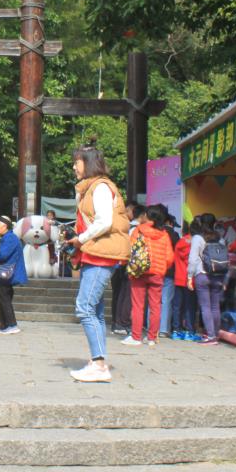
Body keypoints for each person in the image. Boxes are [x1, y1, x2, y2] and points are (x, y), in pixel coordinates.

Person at [64, 144, 130, 383]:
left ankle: (100, 365)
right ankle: (97, 361)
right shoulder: (90, 188)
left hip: (100, 255)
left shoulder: (100, 187)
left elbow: (104, 221)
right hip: (95, 253)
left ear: (88, 163)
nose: (74, 167)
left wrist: (80, 238)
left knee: (85, 307)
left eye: (77, 162)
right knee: (96, 311)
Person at [124, 204, 175, 347]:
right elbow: (169, 257)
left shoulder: (138, 230)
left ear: (147, 216)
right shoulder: (164, 234)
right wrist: (162, 267)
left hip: (139, 272)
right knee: (155, 306)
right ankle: (152, 338)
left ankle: (136, 337)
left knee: (138, 305)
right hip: (157, 273)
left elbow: (130, 249)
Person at [188, 213, 226, 346]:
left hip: (202, 275)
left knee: (205, 307)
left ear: (200, 223)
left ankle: (210, 336)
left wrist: (189, 276)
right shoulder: (220, 239)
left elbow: (193, 259)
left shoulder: (198, 238)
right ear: (214, 223)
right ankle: (215, 334)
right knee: (215, 306)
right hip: (218, 275)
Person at [110, 203, 145, 334]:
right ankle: (122, 323)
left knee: (120, 294)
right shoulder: (135, 229)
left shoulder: (126, 227)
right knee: (126, 295)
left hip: (121, 264)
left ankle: (117, 323)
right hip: (129, 265)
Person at [0, 215, 27, 334]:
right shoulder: (9, 237)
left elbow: (1, 255)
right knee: (3, 299)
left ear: (4, 226)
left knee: (4, 299)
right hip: (6, 273)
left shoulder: (9, 238)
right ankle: (4, 326)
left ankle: (12, 325)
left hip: (6, 273)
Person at [170, 223, 198, 341]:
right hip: (190, 279)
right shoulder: (195, 244)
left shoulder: (179, 242)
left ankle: (176, 330)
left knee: (177, 306)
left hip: (178, 278)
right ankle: (189, 331)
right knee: (189, 306)